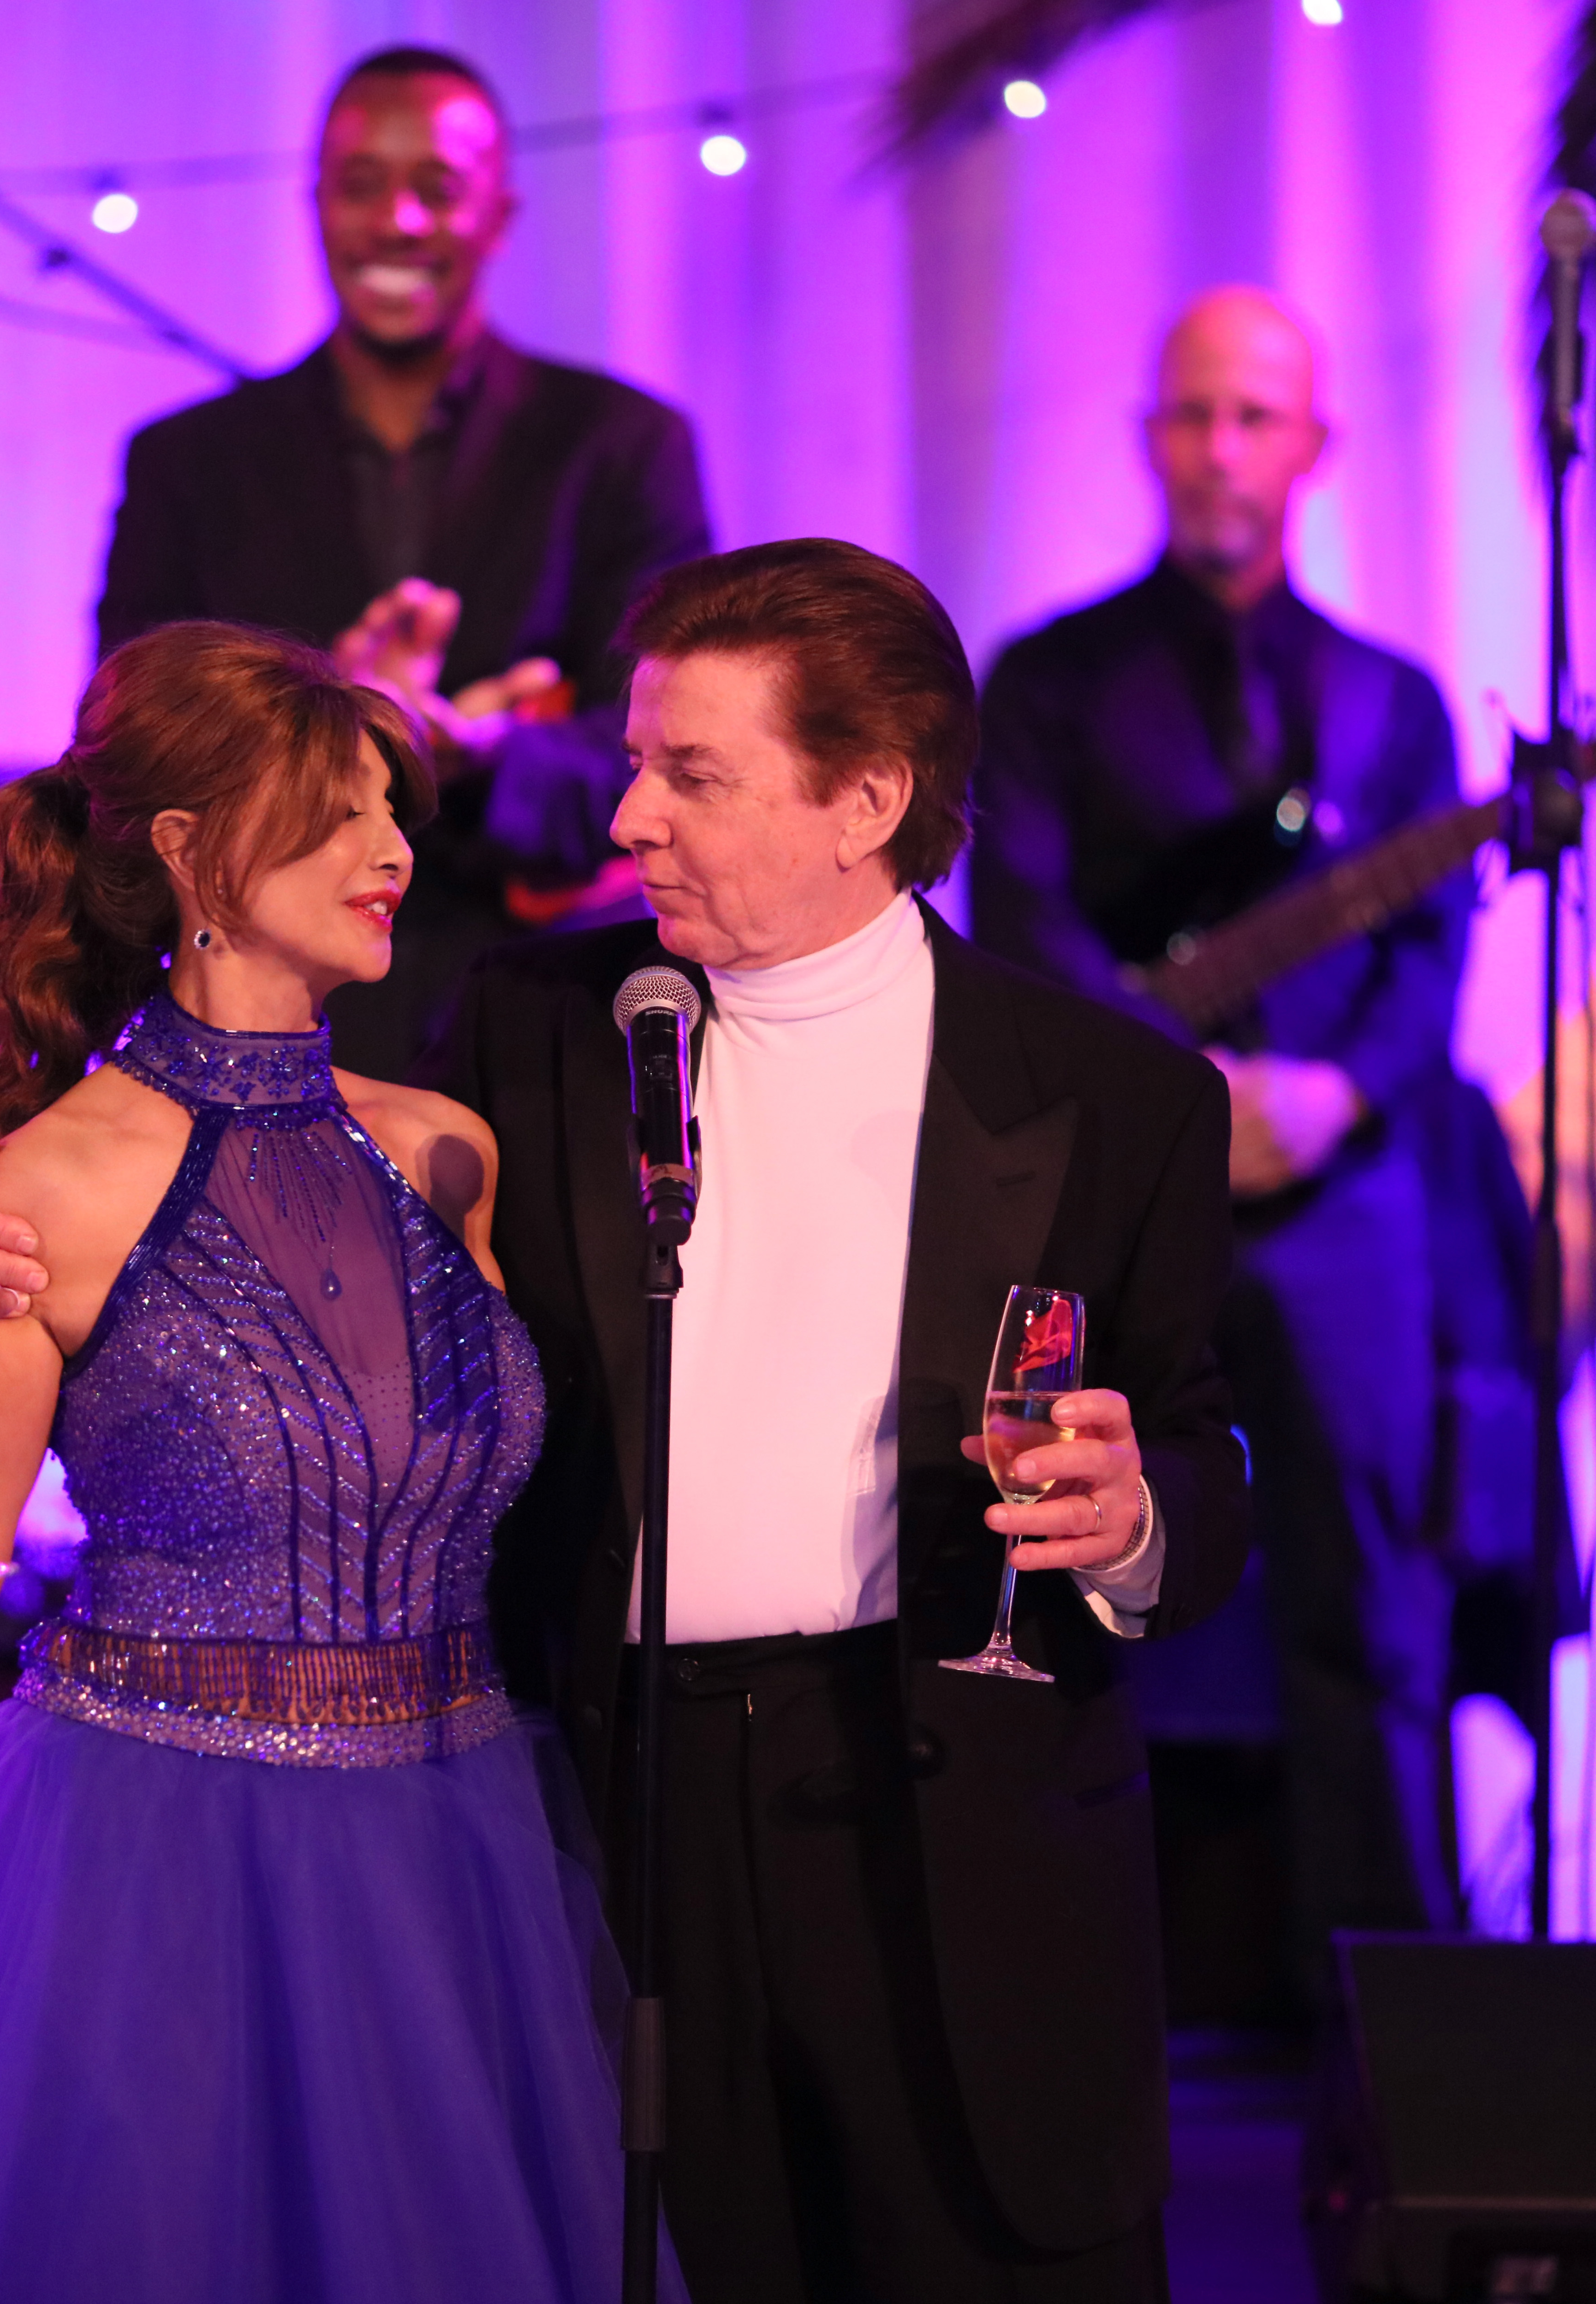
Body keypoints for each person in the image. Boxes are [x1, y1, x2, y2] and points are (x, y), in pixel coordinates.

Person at [0, 622, 655, 2302]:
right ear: (190, 847)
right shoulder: (39, 1184)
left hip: (456, 1838)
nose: (392, 852)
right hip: (161, 1857)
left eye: (393, 813)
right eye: (343, 814)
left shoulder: (448, 1147)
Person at [435, 539, 1252, 2299]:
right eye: (638, 760)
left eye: (691, 774)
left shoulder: (1108, 1096)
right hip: (620, 1789)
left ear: (864, 797)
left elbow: (1197, 1443)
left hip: (941, 1810)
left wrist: (1131, 1520)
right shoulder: (535, 1036)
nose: (630, 815)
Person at [971, 287, 1565, 1998]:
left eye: (1252, 415)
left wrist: (1331, 1098)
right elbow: (1023, 922)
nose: (1219, 448)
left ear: (1312, 444)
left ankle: (1401, 2027)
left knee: (1371, 1609)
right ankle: (1060, 2011)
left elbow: (1426, 961)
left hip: (1343, 1205)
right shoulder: (1049, 682)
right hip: (1118, 1194)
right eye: (1190, 415)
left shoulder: (1387, 704)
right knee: (1055, 1588)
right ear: (1148, 436)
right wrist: (1187, 1097)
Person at [100, 42, 714, 1078]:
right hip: (262, 1022)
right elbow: (129, 743)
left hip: (543, 1015)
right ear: (315, 206)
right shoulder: (187, 462)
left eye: (439, 188)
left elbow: (672, 741)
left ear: (499, 216)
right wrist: (318, 712)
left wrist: (480, 753)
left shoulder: (619, 443)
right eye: (360, 187)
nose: (398, 222)